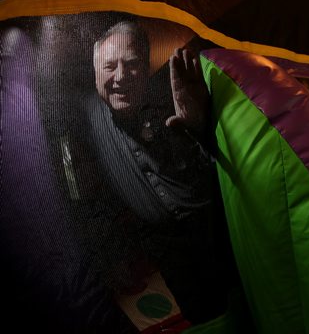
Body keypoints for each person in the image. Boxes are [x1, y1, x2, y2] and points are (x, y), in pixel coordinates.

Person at [85, 20, 230, 326]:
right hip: (165, 249)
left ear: (147, 65)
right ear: (94, 71)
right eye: (110, 66)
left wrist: (200, 128)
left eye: (133, 64)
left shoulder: (175, 94)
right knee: (203, 318)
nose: (121, 77)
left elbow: (219, 170)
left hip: (214, 230)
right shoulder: (85, 116)